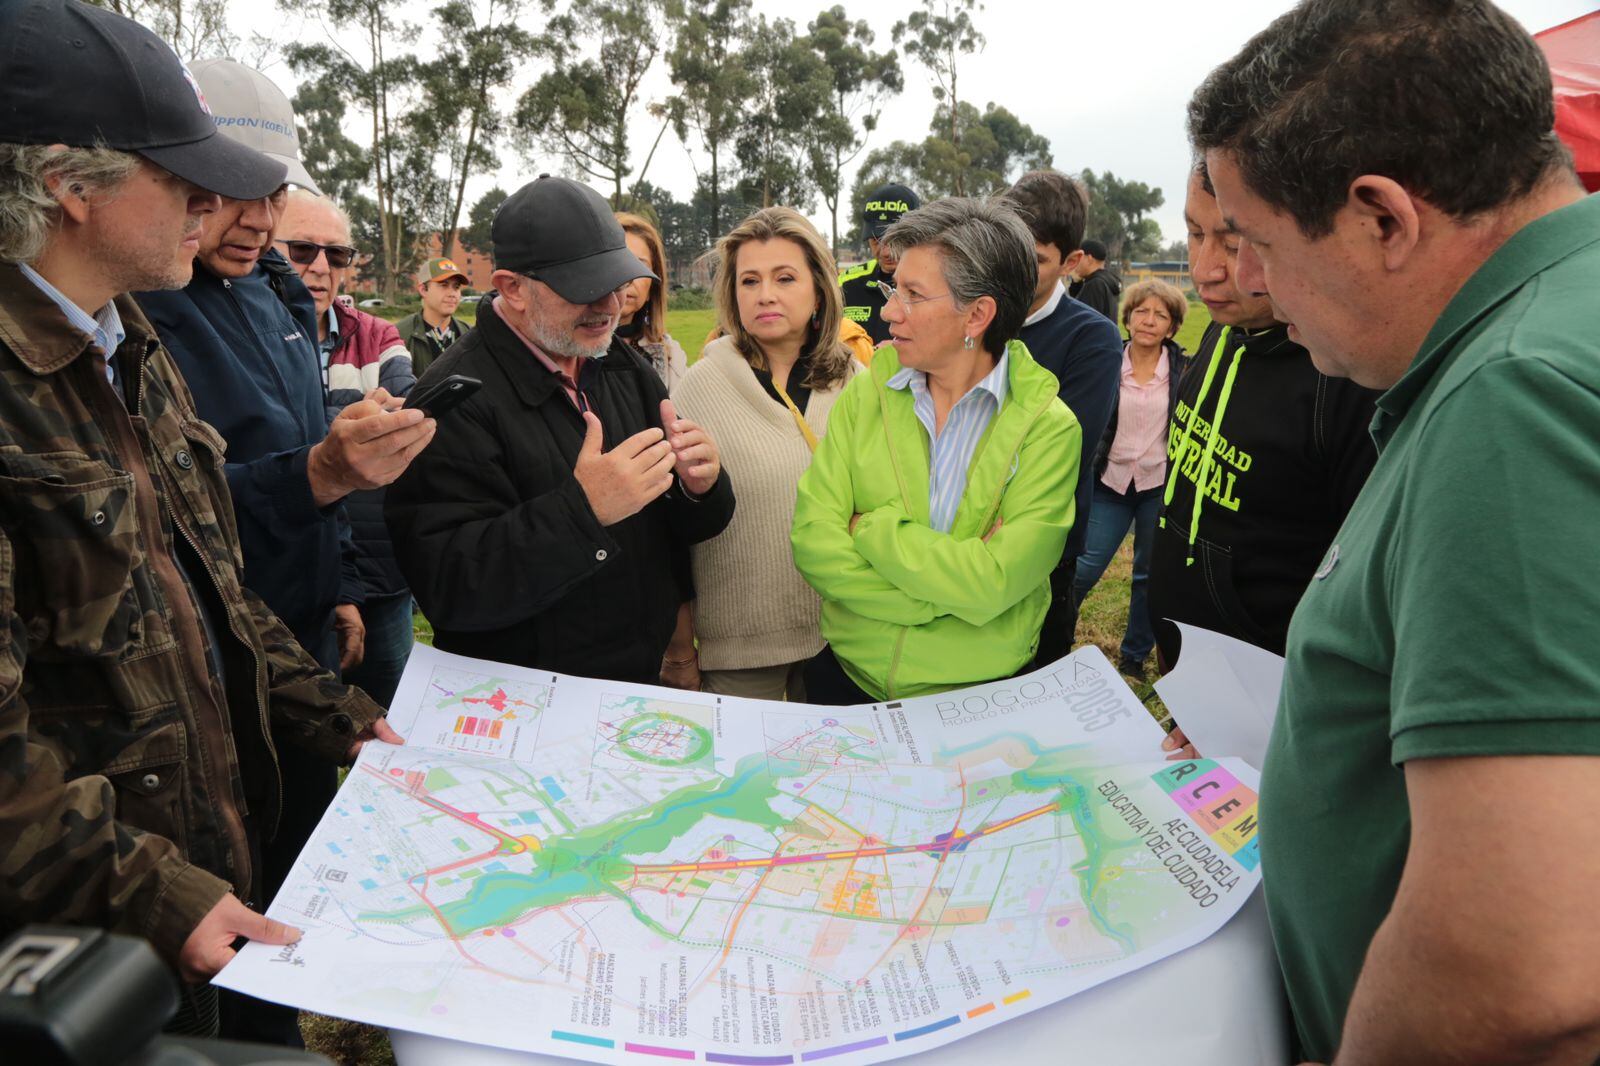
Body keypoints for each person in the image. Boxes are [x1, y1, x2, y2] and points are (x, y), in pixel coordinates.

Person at [1190, 1, 1600, 1061]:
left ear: (1381, 215)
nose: (1258, 287)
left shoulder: (1512, 401)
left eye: (1264, 243)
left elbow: (1515, 964)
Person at [0, 0, 394, 1036]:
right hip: (88, 946)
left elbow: (209, 585)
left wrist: (333, 713)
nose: (212, 199)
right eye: (180, 170)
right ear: (66, 186)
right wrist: (152, 892)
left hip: (201, 873)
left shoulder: (130, 347)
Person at [134, 58, 433, 1044]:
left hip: (295, 638)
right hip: (193, 672)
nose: (258, 216)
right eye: (226, 186)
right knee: (221, 902)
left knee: (288, 876)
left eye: (273, 184)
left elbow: (307, 445)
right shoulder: (137, 306)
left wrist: (339, 580)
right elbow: (174, 519)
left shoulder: (265, 290)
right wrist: (317, 479)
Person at [386, 176, 735, 684]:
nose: (610, 307)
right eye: (584, 290)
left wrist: (699, 488)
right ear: (512, 288)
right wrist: (584, 511)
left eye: (616, 284)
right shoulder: (452, 402)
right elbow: (450, 587)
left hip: (634, 683)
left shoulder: (617, 362)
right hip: (528, 706)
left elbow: (675, 531)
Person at [792, 197, 1081, 704]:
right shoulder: (867, 393)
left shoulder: (1048, 430)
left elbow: (995, 582)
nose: (887, 311)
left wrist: (872, 530)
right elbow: (815, 540)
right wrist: (939, 601)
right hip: (850, 683)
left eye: (912, 295)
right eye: (892, 289)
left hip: (978, 703)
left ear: (977, 316)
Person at [1146, 163, 1376, 671]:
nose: (1205, 269)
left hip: (1266, 706)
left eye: (1234, 243)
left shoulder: (1346, 378)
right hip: (1188, 675)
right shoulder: (1222, 330)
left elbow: (1366, 602)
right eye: (1194, 233)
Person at [669, 208, 860, 700]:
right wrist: (680, 651)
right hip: (739, 653)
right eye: (749, 280)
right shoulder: (699, 388)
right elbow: (668, 534)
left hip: (847, 641)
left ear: (819, 289)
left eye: (785, 278)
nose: (765, 294)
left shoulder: (857, 383)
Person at [277, 189, 417, 709]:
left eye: (336, 254)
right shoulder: (249, 334)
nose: (320, 267)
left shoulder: (377, 334)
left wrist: (315, 432)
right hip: (287, 575)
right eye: (301, 250)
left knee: (388, 726)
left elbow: (401, 414)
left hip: (379, 569)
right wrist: (344, 424)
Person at [1006, 169, 1125, 662]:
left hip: (1041, 558)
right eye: (1003, 251)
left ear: (1072, 262)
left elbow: (1060, 450)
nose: (1010, 271)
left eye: (1031, 261)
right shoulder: (970, 315)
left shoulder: (1090, 338)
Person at [1071, 281, 1190, 680]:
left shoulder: (1183, 370)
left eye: (1160, 315)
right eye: (1142, 311)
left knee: (1147, 576)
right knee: (1084, 568)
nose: (1149, 321)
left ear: (1172, 327)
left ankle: (1134, 658)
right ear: (1128, 316)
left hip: (1157, 484)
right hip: (1109, 482)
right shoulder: (1106, 361)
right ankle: (1056, 638)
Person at [838, 182, 920, 345]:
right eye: (876, 240)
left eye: (895, 241)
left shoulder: (935, 285)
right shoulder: (846, 282)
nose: (885, 252)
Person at [615, 212, 689, 390]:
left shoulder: (671, 355)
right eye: (617, 262)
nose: (628, 277)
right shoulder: (572, 350)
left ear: (652, 285)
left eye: (639, 265)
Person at [396, 257, 470, 377]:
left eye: (456, 287)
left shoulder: (469, 333)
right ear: (423, 290)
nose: (452, 294)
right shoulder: (400, 335)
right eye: (444, 285)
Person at [1068, 237, 1121, 321]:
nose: (1076, 262)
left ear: (1089, 259)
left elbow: (1082, 319)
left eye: (1079, 257)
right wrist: (1076, 283)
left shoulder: (1095, 284)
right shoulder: (1106, 281)